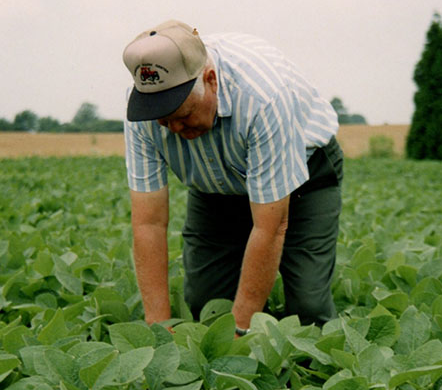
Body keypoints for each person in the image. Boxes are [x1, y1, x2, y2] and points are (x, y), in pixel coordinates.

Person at [122, 19, 343, 334]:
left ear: (210, 79)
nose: (174, 130)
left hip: (304, 179)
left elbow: (271, 227)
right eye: (163, 120)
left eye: (182, 116)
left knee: (308, 311)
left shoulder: (263, 96)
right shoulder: (144, 109)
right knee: (209, 308)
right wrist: (158, 328)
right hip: (215, 189)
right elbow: (148, 223)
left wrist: (240, 332)